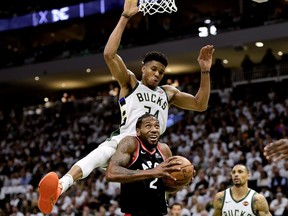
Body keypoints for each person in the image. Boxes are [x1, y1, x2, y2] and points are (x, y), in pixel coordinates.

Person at [37, 0, 214, 214]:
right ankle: (59, 187)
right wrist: (125, 17)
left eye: (161, 72)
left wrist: (205, 71)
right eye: (154, 69)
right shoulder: (130, 83)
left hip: (152, 147)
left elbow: (200, 104)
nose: (157, 74)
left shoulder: (168, 93)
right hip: (126, 140)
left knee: (161, 186)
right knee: (97, 156)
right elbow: (109, 55)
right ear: (143, 68)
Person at [105, 113, 186, 215]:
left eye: (157, 126)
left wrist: (181, 182)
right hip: (134, 212)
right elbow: (111, 173)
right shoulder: (130, 143)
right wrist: (152, 172)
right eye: (148, 126)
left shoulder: (164, 150)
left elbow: (167, 188)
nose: (154, 129)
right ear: (138, 131)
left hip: (158, 212)